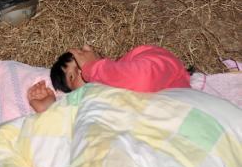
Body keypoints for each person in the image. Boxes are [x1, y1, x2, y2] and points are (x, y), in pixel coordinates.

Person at [27, 44, 191, 114]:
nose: (80, 70)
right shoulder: (90, 102)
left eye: (80, 63)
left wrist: (94, 68)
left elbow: (144, 79)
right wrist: (50, 109)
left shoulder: (141, 56)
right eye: (72, 76)